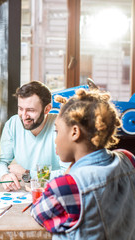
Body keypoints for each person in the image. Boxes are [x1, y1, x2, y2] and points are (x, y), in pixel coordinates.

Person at [31, 89, 135, 239]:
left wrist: (69, 172)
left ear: (75, 132)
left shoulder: (66, 186)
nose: (55, 140)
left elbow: (38, 214)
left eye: (57, 131)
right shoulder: (127, 158)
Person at [0, 81, 67, 191]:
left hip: (55, 193)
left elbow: (67, 174)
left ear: (47, 109)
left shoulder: (60, 125)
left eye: (30, 110)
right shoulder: (12, 124)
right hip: (24, 192)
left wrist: (28, 174)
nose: (24, 116)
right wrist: (4, 176)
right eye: (20, 109)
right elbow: (1, 162)